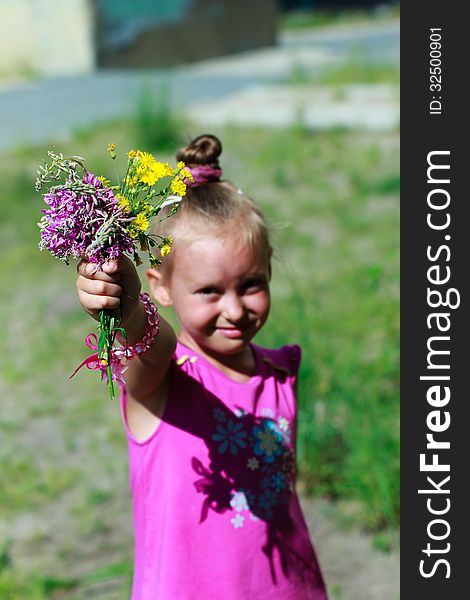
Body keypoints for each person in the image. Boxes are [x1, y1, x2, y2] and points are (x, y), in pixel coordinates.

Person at [76, 134, 328, 599]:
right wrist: (128, 305)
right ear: (163, 286)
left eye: (250, 284)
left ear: (269, 270)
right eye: (209, 291)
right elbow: (153, 345)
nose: (233, 310)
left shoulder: (278, 375)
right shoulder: (162, 381)